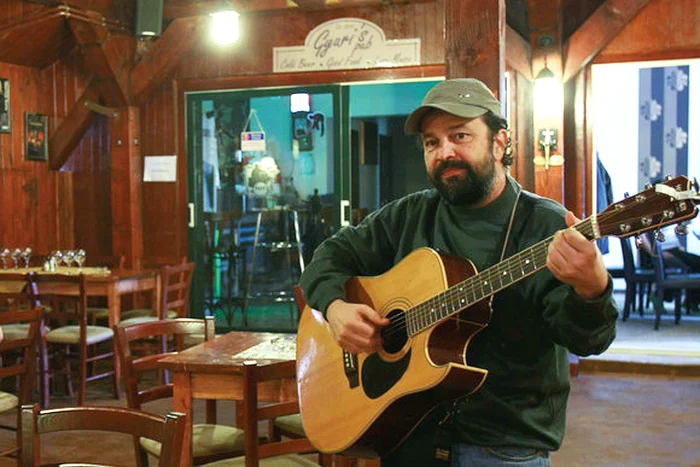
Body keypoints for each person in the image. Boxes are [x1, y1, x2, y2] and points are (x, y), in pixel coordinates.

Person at [300, 78, 618, 466]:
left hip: (503, 446)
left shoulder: (543, 226)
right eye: (432, 142)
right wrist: (335, 308)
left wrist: (592, 287)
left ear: (499, 143)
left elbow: (587, 340)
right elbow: (328, 256)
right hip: (408, 434)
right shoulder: (409, 215)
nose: (444, 152)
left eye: (460, 135)